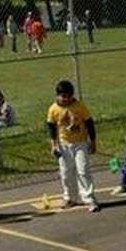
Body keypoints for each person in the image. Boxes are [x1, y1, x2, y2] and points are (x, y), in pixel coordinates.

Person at [46, 79, 99, 212]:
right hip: (64, 145)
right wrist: (53, 145)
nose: (66, 99)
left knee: (83, 170)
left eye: (68, 96)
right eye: (63, 96)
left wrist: (92, 142)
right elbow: (51, 127)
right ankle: (70, 197)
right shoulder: (53, 109)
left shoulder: (79, 106)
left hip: (80, 143)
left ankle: (89, 198)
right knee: (66, 172)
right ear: (57, 95)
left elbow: (89, 123)